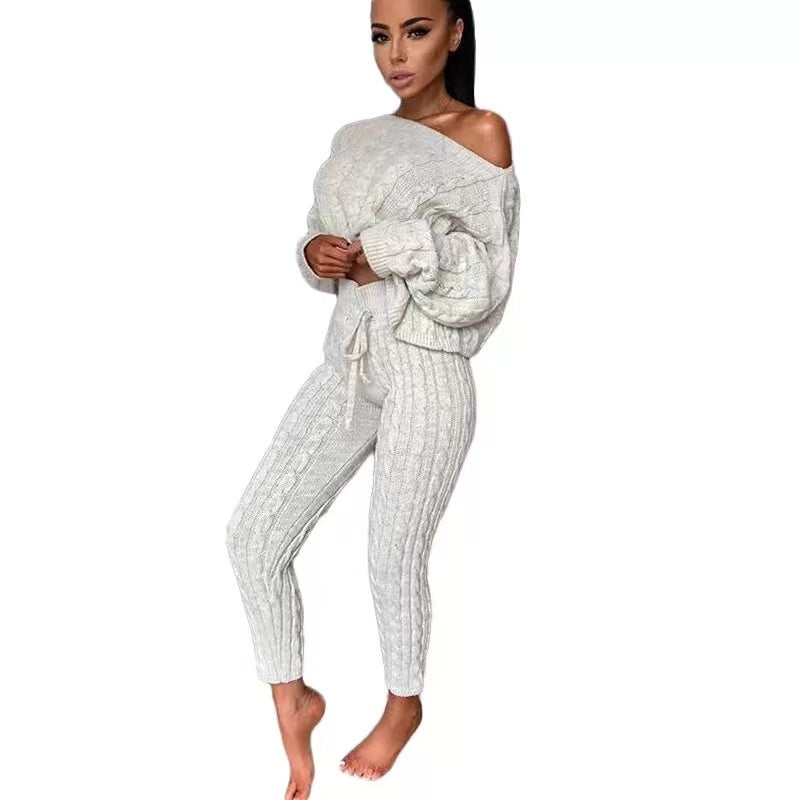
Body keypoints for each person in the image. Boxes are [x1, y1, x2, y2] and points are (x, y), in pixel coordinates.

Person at [225, 1, 521, 796]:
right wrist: (316, 252)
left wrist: (384, 251)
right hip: (349, 359)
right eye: (380, 35)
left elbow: (485, 280)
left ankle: (403, 705)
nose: (396, 54)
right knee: (252, 536)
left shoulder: (482, 131)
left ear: (455, 32)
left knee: (391, 556)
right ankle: (294, 700)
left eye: (416, 31)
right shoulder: (354, 137)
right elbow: (322, 233)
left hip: (429, 367)